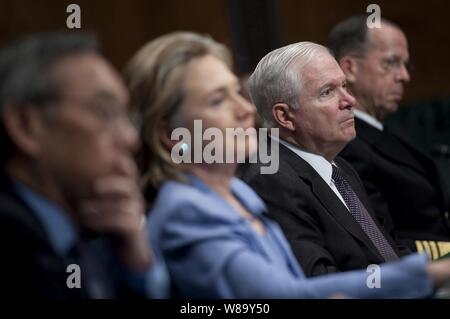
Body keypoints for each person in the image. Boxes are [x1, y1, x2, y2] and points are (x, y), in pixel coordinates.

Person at [126, 31, 450, 298]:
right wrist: (430, 274)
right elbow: (287, 294)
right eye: (217, 100)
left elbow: (385, 248)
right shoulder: (195, 208)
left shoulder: (242, 193)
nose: (244, 110)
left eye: (235, 94)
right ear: (170, 134)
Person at [0, 32, 166, 298]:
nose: (131, 139)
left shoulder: (87, 227)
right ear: (25, 125)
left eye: (126, 117)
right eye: (104, 113)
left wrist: (134, 260)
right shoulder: (14, 253)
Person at [241, 40, 407, 276]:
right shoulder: (271, 179)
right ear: (285, 116)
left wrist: (427, 276)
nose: (350, 101)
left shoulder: (340, 168)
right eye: (327, 92)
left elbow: (387, 250)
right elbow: (318, 280)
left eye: (345, 86)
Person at [328, 15, 450, 257]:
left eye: (406, 65)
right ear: (349, 68)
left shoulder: (380, 131)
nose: (404, 76)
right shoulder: (347, 145)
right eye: (391, 63)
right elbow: (383, 243)